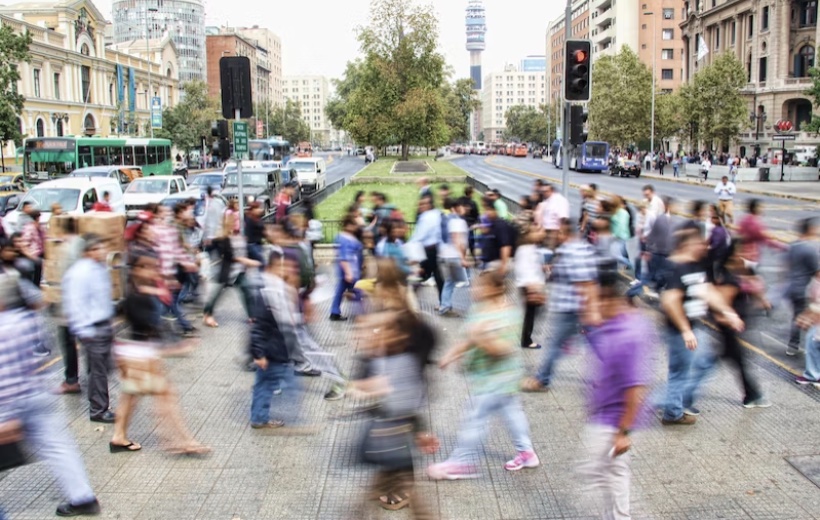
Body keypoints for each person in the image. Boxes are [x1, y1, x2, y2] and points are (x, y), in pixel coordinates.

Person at [428, 266, 539, 480]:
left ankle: (463, 462)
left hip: (496, 379)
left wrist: (482, 339)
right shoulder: (479, 310)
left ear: (494, 289)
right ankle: (527, 453)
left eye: (479, 287)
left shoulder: (508, 315)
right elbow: (469, 339)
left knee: (475, 418)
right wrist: (451, 354)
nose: (474, 290)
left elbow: (504, 350)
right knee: (512, 413)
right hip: (495, 379)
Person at [0, 301, 102, 517]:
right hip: (38, 392)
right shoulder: (24, 319)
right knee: (59, 447)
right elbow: (43, 353)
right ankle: (83, 497)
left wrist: (6, 416)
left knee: (58, 446)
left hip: (12, 403)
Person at [111, 252, 209, 455]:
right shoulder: (138, 297)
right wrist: (176, 348)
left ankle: (119, 436)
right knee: (165, 397)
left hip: (133, 354)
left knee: (131, 397)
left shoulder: (139, 292)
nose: (155, 271)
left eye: (156, 267)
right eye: (149, 267)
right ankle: (182, 441)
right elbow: (150, 328)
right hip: (140, 357)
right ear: (137, 270)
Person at [581, 259, 651, 520]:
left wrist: (623, 432)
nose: (594, 307)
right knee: (613, 474)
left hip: (612, 420)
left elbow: (636, 388)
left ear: (610, 300)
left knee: (596, 475)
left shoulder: (627, 334)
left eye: (597, 301)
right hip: (607, 415)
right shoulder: (623, 324)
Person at [659, 227, 744, 425]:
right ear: (688, 245)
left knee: (704, 362)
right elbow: (670, 300)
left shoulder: (695, 266)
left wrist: (728, 312)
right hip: (680, 330)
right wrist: (685, 330)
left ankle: (677, 402)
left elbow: (707, 291)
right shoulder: (675, 267)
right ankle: (670, 410)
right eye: (699, 243)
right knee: (681, 372)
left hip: (694, 326)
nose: (704, 246)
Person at [522, 218, 600, 392]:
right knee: (594, 344)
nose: (555, 235)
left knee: (555, 345)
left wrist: (590, 310)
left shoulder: (573, 251)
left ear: (565, 233)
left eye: (558, 232)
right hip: (574, 308)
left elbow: (585, 283)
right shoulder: (577, 248)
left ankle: (542, 379)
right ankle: (611, 376)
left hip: (572, 309)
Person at [63, 234, 116, 423]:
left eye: (102, 247)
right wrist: (85, 331)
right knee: (98, 371)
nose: (102, 251)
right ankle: (98, 410)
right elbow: (75, 303)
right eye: (97, 248)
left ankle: (99, 403)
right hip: (92, 328)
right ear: (88, 252)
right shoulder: (80, 272)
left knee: (102, 368)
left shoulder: (100, 268)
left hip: (103, 325)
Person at [785, 218, 819, 356]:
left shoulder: (793, 245)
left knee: (798, 316)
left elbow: (787, 266)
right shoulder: (810, 249)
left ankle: (793, 345)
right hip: (804, 289)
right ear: (810, 230)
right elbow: (817, 272)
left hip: (792, 286)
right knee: (809, 317)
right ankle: (802, 346)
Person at [514, 224, 546, 349]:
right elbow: (524, 269)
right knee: (531, 313)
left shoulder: (530, 248)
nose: (540, 233)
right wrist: (532, 288)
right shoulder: (525, 249)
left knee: (533, 312)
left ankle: (527, 337)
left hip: (531, 285)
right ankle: (526, 340)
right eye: (536, 231)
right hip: (529, 286)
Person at [408, 194, 443, 302]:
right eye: (420, 204)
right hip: (435, 250)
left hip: (428, 251)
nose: (421, 206)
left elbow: (419, 235)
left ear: (430, 204)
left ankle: (408, 299)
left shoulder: (426, 216)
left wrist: (408, 247)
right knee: (437, 277)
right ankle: (444, 303)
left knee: (420, 275)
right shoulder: (437, 213)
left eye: (424, 204)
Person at [437, 198, 469, 317]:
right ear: (455, 208)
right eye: (462, 206)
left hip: (444, 254)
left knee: (449, 281)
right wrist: (462, 258)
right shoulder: (457, 221)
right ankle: (445, 306)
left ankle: (444, 305)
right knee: (455, 281)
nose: (465, 209)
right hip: (453, 255)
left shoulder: (446, 219)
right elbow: (457, 240)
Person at [330, 215, 363, 321]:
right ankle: (359, 313)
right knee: (358, 290)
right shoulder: (346, 239)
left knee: (340, 290)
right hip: (350, 269)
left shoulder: (343, 237)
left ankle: (335, 311)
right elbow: (344, 256)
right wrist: (349, 272)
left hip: (348, 269)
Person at [737, 199, 787, 269]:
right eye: (761, 207)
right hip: (748, 257)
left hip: (741, 255)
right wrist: (784, 247)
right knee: (750, 278)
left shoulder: (745, 219)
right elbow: (766, 238)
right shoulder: (754, 222)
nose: (763, 209)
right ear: (755, 208)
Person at [795, 268, 820, 387]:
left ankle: (812, 375)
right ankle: (813, 374)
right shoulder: (816, 282)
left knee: (813, 344)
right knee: (813, 344)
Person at [478, 197, 515, 274]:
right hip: (492, 262)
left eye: (489, 210)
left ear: (496, 210)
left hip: (498, 263)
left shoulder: (501, 225)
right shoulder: (493, 225)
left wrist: (503, 265)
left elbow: (505, 246)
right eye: (486, 210)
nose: (487, 213)